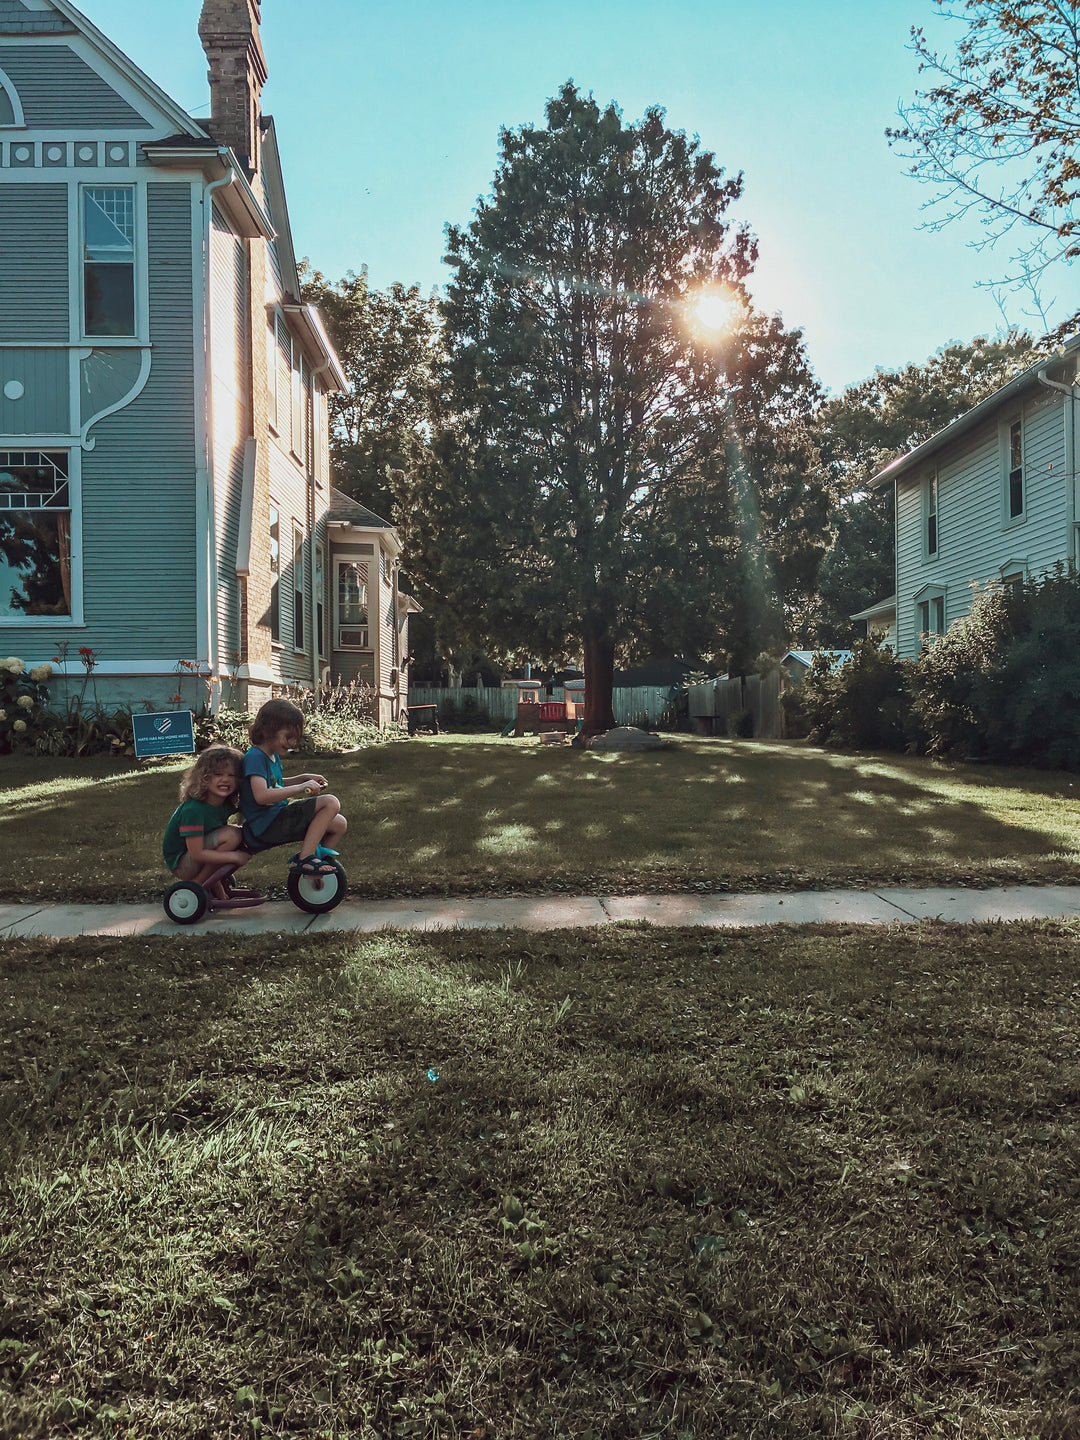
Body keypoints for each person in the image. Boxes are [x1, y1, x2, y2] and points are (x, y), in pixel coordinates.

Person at [239, 698, 347, 875]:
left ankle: (316, 865)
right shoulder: (256, 757)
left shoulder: (270, 755)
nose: (292, 743)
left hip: (276, 819)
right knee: (330, 803)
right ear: (268, 730)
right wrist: (301, 787)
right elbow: (262, 796)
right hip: (266, 825)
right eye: (288, 737)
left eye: (295, 738)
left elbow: (276, 784)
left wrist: (302, 778)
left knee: (339, 824)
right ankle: (306, 858)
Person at [162, 745, 257, 897]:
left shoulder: (224, 804)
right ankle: (198, 883)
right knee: (232, 835)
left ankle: (214, 887)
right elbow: (197, 853)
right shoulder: (194, 809)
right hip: (183, 863)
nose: (225, 779)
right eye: (218, 774)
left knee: (240, 834)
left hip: (196, 857)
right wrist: (234, 857)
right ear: (204, 778)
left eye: (231, 775)